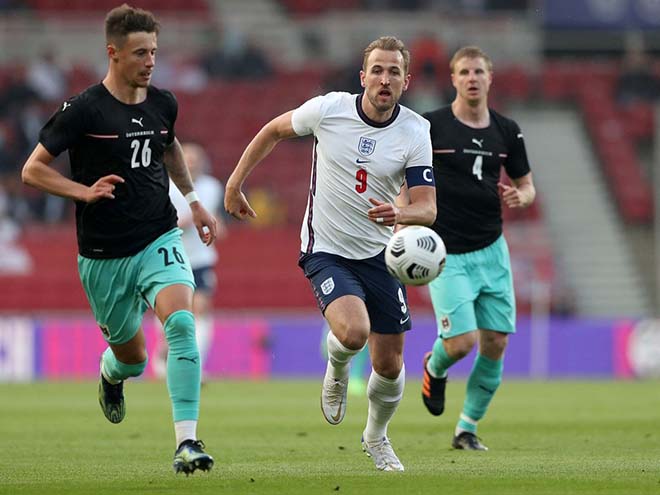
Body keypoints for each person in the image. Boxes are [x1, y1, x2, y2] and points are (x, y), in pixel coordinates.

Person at [20, 4, 217, 475]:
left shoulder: (163, 102)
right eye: (140, 53)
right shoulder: (84, 109)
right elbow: (32, 170)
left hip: (158, 236)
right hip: (103, 255)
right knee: (133, 358)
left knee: (182, 326)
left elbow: (168, 147)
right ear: (113, 53)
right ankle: (111, 374)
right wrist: (82, 192)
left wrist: (192, 200)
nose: (150, 61)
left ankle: (187, 442)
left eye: (154, 51)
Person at [225, 36, 436, 472]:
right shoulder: (329, 109)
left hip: (381, 256)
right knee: (354, 332)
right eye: (377, 70)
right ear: (363, 77)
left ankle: (376, 438)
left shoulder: (416, 130)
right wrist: (234, 184)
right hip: (327, 250)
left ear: (405, 81)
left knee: (391, 363)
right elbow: (272, 131)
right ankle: (337, 366)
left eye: (393, 71)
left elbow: (427, 208)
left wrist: (399, 211)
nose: (384, 78)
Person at [420, 46, 536, 451]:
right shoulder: (431, 126)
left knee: (496, 343)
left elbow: (526, 183)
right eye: (464, 71)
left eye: (479, 71)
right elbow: (405, 172)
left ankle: (466, 427)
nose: (472, 78)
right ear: (453, 78)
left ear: (490, 77)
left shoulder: (507, 130)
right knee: (461, 343)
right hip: (447, 254)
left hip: (492, 250)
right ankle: (434, 367)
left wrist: (524, 195)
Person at [153, 142, 225, 380]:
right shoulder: (165, 187)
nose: (191, 163)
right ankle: (164, 356)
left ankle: (194, 364)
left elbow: (214, 217)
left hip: (201, 257)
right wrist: (180, 223)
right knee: (174, 314)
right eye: (187, 159)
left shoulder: (212, 187)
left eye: (195, 159)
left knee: (200, 309)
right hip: (171, 258)